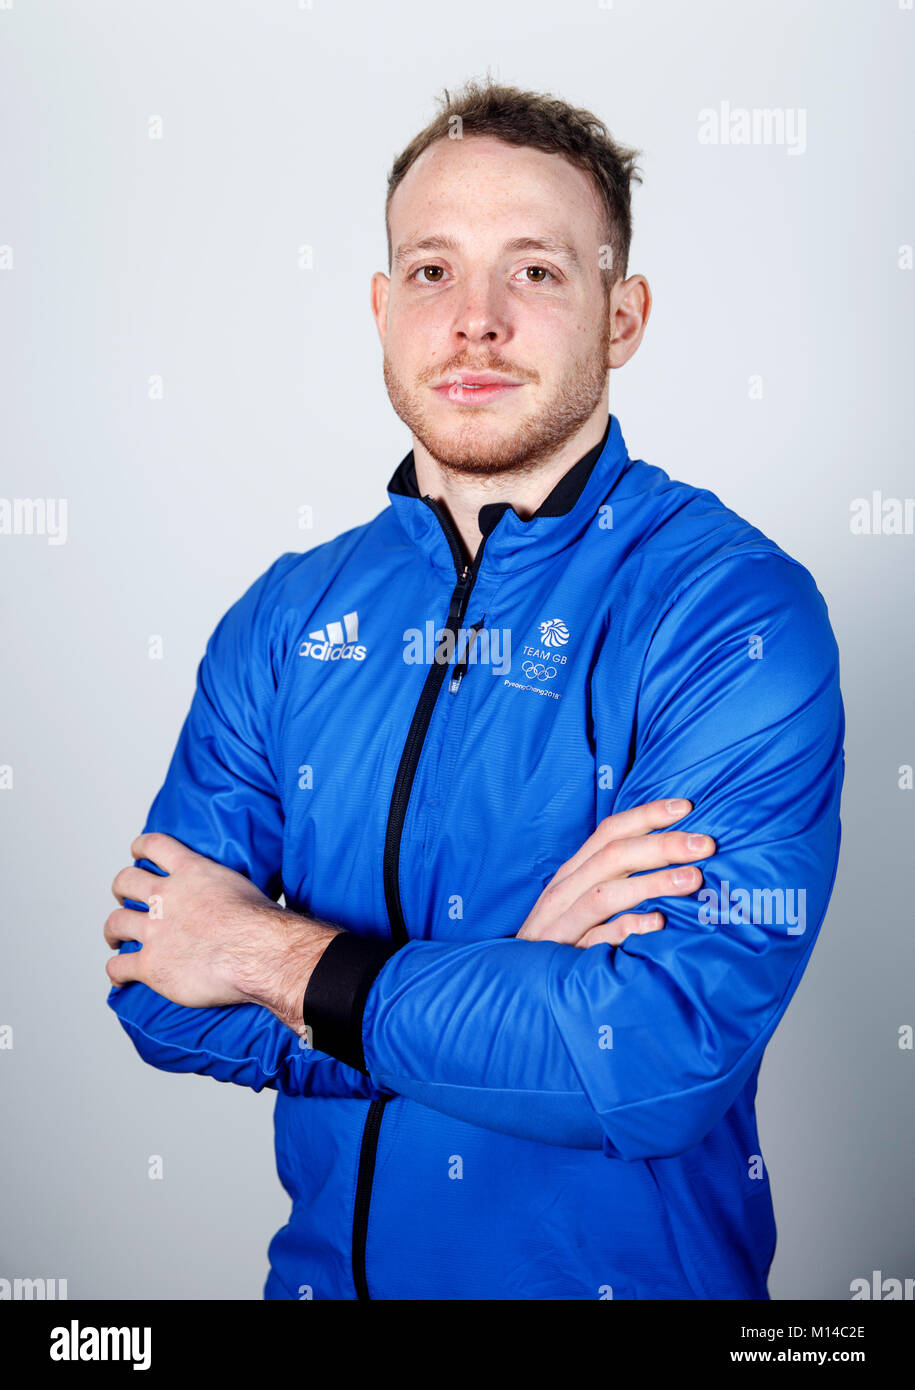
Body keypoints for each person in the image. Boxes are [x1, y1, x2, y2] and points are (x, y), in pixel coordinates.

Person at [105, 78, 845, 1301]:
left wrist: (263, 954)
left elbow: (654, 1056)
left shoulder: (732, 611)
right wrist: (511, 981)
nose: (478, 321)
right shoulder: (289, 616)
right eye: (435, 271)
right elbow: (156, 985)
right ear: (384, 308)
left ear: (623, 315)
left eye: (539, 272)